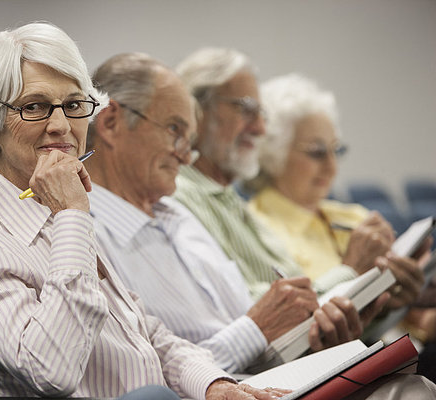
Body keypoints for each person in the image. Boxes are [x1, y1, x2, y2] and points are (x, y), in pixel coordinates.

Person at [0, 21, 287, 400]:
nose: (61, 126)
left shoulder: (55, 214)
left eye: (73, 105)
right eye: (35, 107)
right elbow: (49, 370)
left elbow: (146, 333)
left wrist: (215, 386)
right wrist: (72, 214)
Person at [84, 51, 436, 399]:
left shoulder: (177, 216)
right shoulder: (89, 238)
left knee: (412, 381)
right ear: (112, 122)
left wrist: (326, 333)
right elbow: (154, 371)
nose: (184, 152)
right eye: (175, 130)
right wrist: (262, 329)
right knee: (412, 388)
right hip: (225, 388)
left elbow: (266, 328)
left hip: (273, 374)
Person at [173, 47, 427, 308]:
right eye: (246, 108)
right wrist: (351, 271)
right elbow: (253, 314)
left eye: (336, 151)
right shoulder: (179, 196)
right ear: (196, 111)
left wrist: (387, 305)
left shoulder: (229, 201)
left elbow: (317, 325)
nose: (260, 128)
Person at [249, 72, 436, 378]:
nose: (332, 167)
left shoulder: (354, 216)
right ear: (274, 153)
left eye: (336, 150)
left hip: (399, 346)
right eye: (317, 152)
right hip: (334, 369)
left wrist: (416, 290)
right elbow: (302, 330)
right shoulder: (260, 228)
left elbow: (417, 316)